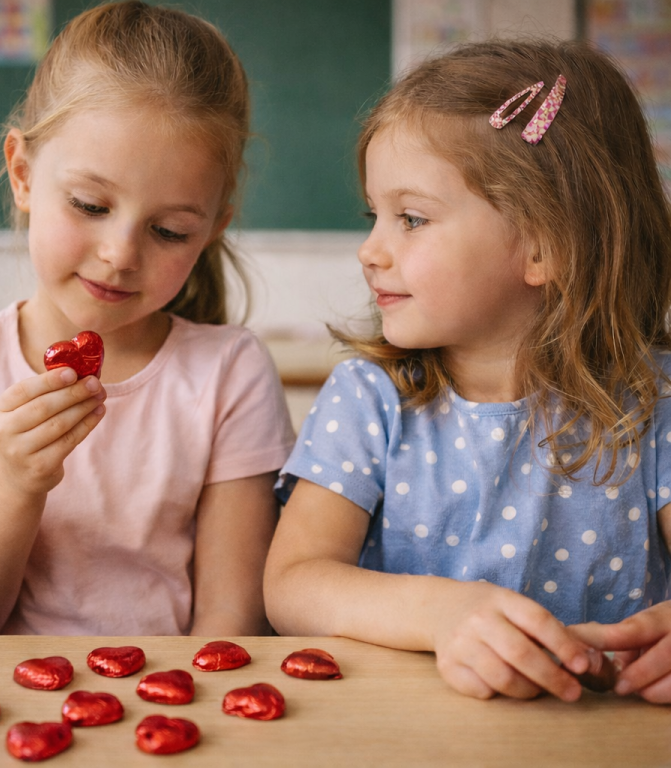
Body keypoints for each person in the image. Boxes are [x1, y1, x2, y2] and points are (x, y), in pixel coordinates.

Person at [264, 39, 671, 703]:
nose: (370, 251)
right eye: (375, 216)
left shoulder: (656, 403)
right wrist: (439, 614)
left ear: (546, 244)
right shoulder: (370, 398)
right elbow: (292, 583)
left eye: (411, 218)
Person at [0, 1, 295, 636]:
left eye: (169, 231)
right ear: (23, 174)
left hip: (171, 718)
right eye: (89, 205)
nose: (120, 254)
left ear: (212, 230)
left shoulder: (230, 372)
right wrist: (16, 485)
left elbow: (231, 622)